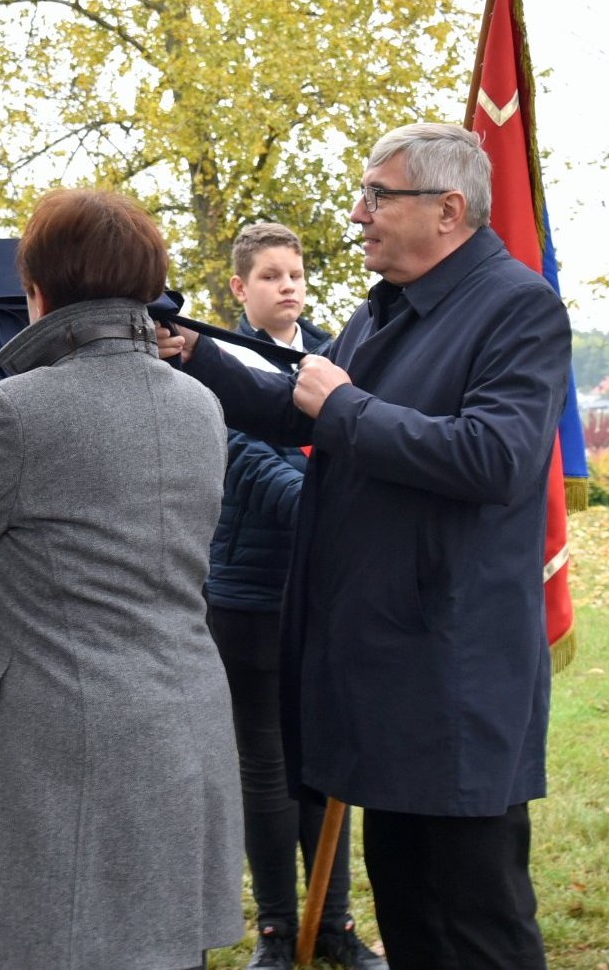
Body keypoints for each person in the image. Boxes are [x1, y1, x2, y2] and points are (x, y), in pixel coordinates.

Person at [167, 123, 568, 969]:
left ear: (448, 210)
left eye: (378, 196)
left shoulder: (517, 306)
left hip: (454, 672)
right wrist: (197, 353)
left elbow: (493, 456)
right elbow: (295, 408)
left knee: (476, 920)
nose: (358, 215)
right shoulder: (385, 307)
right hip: (388, 669)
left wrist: (344, 405)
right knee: (411, 907)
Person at [0, 188, 243, 970]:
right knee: (155, 950)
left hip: (61, 744)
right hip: (182, 722)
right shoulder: (202, 406)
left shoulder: (16, 412)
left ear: (39, 292)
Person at [203, 223, 381, 969]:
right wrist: (337, 505)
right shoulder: (217, 367)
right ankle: (279, 925)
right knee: (267, 768)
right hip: (249, 597)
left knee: (327, 762)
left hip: (324, 593)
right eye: (270, 274)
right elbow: (250, 461)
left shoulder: (334, 359)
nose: (288, 285)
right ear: (240, 289)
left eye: (296, 273)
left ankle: (332, 921)